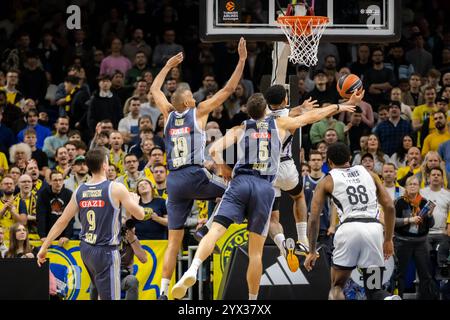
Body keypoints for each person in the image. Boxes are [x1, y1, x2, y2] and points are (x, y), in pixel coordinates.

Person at [172, 93, 358, 300]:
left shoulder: (241, 127)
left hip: (240, 182)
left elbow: (213, 149)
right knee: (256, 253)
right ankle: (253, 301)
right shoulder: (279, 123)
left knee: (214, 232)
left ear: (249, 112)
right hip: (264, 187)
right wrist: (339, 107)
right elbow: (312, 117)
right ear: (266, 110)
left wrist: (224, 168)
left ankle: (193, 269)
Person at [150, 38, 247, 299]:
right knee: (234, 190)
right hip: (194, 173)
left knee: (173, 241)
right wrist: (241, 60)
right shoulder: (199, 111)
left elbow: (154, 90)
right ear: (189, 103)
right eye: (192, 96)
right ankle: (207, 228)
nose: (196, 97)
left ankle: (162, 292)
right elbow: (228, 90)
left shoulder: (168, 114)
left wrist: (167, 67)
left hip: (173, 181)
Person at [37, 148, 145, 300]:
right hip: (106, 251)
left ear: (88, 166)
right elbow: (140, 215)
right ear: (105, 165)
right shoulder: (115, 188)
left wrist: (44, 247)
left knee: (101, 291)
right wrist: (135, 202)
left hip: (86, 249)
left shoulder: (79, 190)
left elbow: (62, 221)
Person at [304, 142, 398, 300]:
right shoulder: (370, 173)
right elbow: (389, 207)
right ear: (350, 158)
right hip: (373, 230)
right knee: (374, 290)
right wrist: (388, 239)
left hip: (348, 230)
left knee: (337, 286)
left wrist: (312, 251)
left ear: (329, 163)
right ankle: (388, 298)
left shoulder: (326, 181)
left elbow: (313, 219)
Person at [394, 176, 437, 299]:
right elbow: (393, 222)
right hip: (402, 241)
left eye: (415, 184)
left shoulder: (424, 202)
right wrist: (409, 220)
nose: (413, 186)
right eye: (410, 184)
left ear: (419, 187)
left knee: (425, 274)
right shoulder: (399, 202)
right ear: (406, 187)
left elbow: (431, 224)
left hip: (421, 242)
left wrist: (429, 215)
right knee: (399, 274)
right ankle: (398, 297)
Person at [37, 171, 73, 244]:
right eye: (55, 180)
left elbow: (71, 217)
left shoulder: (69, 194)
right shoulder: (43, 194)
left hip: (64, 233)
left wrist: (67, 236)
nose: (58, 182)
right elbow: (41, 216)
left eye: (60, 180)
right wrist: (42, 236)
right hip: (48, 232)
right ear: (50, 182)